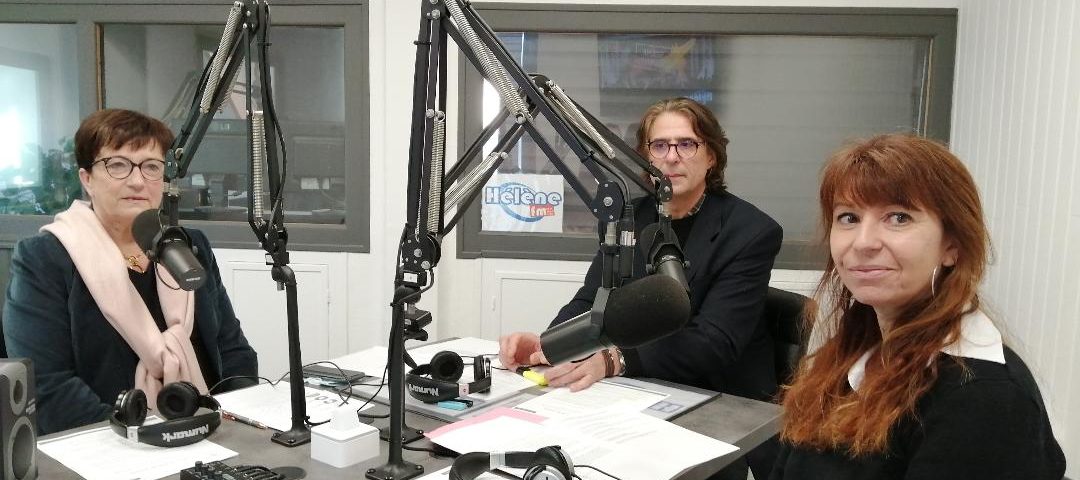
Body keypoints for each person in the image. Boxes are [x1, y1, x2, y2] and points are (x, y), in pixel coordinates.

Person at [771, 134, 1066, 479]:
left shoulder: (984, 397)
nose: (863, 243)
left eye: (899, 218)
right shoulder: (850, 353)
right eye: (848, 217)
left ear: (952, 245)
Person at [3, 109, 259, 435]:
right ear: (87, 178)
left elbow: (234, 351)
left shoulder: (187, 246)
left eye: (151, 166)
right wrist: (140, 439)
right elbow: (48, 387)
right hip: (109, 442)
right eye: (118, 165)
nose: (138, 181)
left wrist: (237, 420)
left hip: (207, 429)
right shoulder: (44, 258)